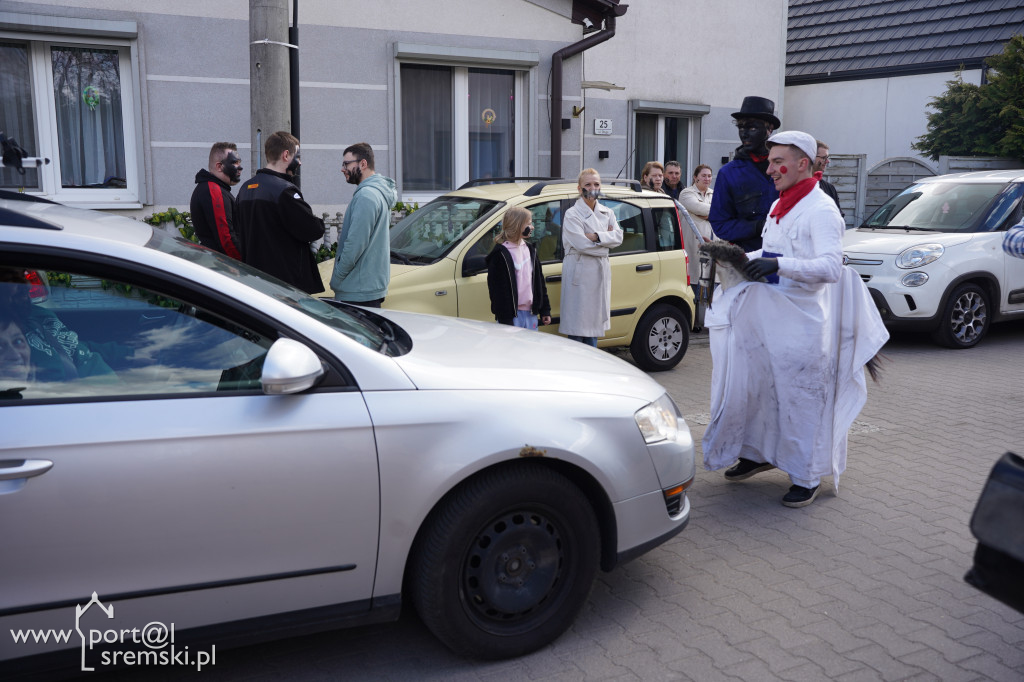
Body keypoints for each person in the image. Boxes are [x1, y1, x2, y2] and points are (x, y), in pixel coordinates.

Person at [701, 130, 888, 508]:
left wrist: (777, 265)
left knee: (800, 401)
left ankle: (806, 475)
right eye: (769, 162)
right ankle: (756, 454)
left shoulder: (821, 210)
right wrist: (739, 257)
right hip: (768, 319)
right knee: (760, 391)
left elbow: (831, 267)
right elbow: (770, 251)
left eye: (777, 162)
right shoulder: (779, 205)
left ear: (803, 163)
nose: (769, 169)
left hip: (802, 326)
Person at [236, 131, 325, 294]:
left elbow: (238, 231)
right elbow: (313, 229)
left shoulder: (245, 189)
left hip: (254, 281)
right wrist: (318, 221)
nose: (300, 163)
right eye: (297, 157)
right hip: (284, 285)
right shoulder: (284, 191)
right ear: (286, 155)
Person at [558, 168, 624, 346]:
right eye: (588, 184)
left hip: (598, 271)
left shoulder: (607, 212)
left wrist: (595, 236)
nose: (592, 188)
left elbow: (619, 237)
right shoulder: (572, 214)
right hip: (580, 272)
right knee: (578, 328)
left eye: (596, 184)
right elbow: (581, 244)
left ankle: (592, 365)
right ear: (579, 189)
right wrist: (605, 242)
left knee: (593, 327)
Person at [708, 96, 780, 251]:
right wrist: (759, 226)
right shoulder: (729, 173)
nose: (744, 134)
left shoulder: (786, 168)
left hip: (788, 261)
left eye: (752, 128)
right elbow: (720, 224)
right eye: (741, 128)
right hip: (748, 264)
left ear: (770, 129)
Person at [329, 142, 397, 307]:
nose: (342, 169)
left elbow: (355, 244)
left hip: (357, 291)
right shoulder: (376, 193)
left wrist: (337, 279)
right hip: (366, 288)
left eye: (346, 164)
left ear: (363, 164)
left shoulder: (366, 196)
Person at [485, 206, 551, 329]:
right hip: (511, 316)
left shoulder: (530, 250)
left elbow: (539, 282)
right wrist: (505, 318)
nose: (532, 227)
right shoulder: (500, 255)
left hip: (530, 314)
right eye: (529, 224)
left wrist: (544, 310)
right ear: (517, 225)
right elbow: (497, 291)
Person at [190, 142, 243, 258]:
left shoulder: (214, 188)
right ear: (219, 166)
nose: (240, 168)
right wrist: (244, 267)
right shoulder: (214, 191)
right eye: (234, 163)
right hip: (223, 267)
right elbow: (227, 240)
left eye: (239, 163)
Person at [680, 164, 715, 292]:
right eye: (703, 175)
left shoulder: (715, 194)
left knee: (710, 282)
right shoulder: (686, 193)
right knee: (695, 281)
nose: (707, 178)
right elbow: (697, 207)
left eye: (709, 176)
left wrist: (706, 214)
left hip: (712, 243)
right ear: (696, 177)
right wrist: (715, 213)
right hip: (693, 244)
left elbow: (725, 211)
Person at [814, 140, 843, 216]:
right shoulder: (793, 186)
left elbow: (839, 215)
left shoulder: (830, 188)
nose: (827, 161)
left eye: (827, 158)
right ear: (811, 157)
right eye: (824, 158)